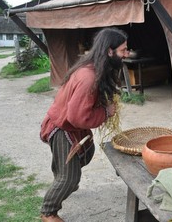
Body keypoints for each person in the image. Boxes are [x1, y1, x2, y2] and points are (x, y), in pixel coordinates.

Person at [39, 27, 129, 222]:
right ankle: (48, 212)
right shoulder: (88, 77)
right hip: (63, 128)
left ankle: (63, 176)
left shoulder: (95, 68)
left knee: (86, 153)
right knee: (70, 178)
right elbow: (77, 117)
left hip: (71, 125)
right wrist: (106, 112)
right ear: (109, 51)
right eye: (123, 50)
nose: (126, 54)